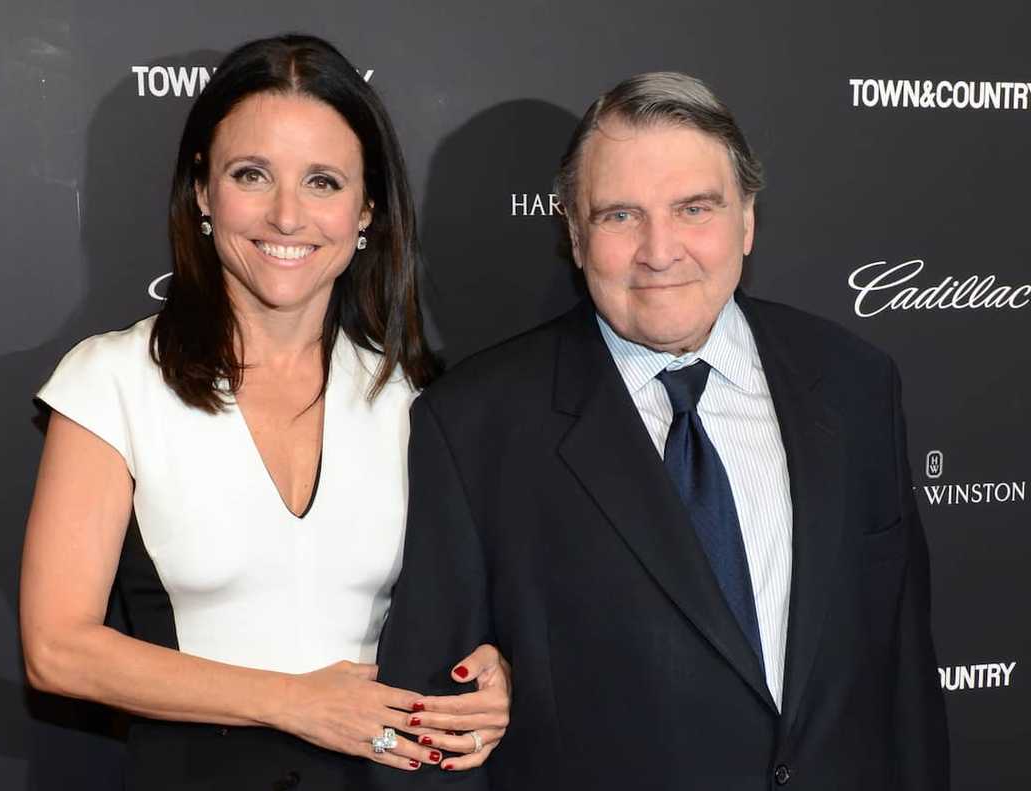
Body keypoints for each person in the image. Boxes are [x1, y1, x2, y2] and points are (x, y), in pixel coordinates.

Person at [372, 72, 949, 790]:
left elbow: (905, 682)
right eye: (620, 215)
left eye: (694, 208)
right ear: (575, 237)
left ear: (746, 221)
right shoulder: (475, 424)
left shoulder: (857, 384)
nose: (660, 249)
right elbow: (431, 733)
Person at [20, 35, 509, 790]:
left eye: (323, 181)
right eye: (253, 175)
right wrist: (292, 702)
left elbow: (466, 613)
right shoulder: (112, 381)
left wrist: (490, 671)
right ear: (204, 192)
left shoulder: (413, 394)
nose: (288, 216)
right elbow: (57, 648)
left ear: (366, 210)